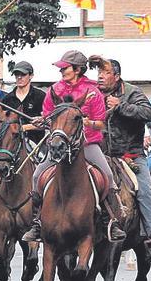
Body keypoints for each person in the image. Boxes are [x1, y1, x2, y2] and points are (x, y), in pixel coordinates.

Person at [22, 50, 126, 243]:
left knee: (108, 176)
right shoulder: (55, 90)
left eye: (65, 68)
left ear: (77, 69)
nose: (61, 71)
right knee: (37, 175)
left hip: (87, 144)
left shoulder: (93, 91)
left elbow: (101, 124)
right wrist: (43, 120)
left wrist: (85, 123)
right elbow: (48, 116)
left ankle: (110, 220)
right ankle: (37, 223)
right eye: (61, 68)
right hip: (59, 147)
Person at [89, 56, 151, 260]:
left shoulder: (132, 92)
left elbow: (148, 113)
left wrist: (121, 105)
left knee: (145, 190)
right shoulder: (92, 93)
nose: (101, 77)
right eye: (99, 74)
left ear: (117, 76)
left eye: (105, 73)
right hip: (99, 153)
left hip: (130, 155)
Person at [0, 61, 45, 227]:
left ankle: (45, 208)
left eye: (23, 74)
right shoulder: (7, 99)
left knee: (48, 169)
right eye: (17, 75)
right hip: (10, 143)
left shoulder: (40, 96)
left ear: (31, 76)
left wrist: (21, 127)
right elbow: (0, 125)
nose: (19, 78)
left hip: (35, 142)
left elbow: (44, 121)